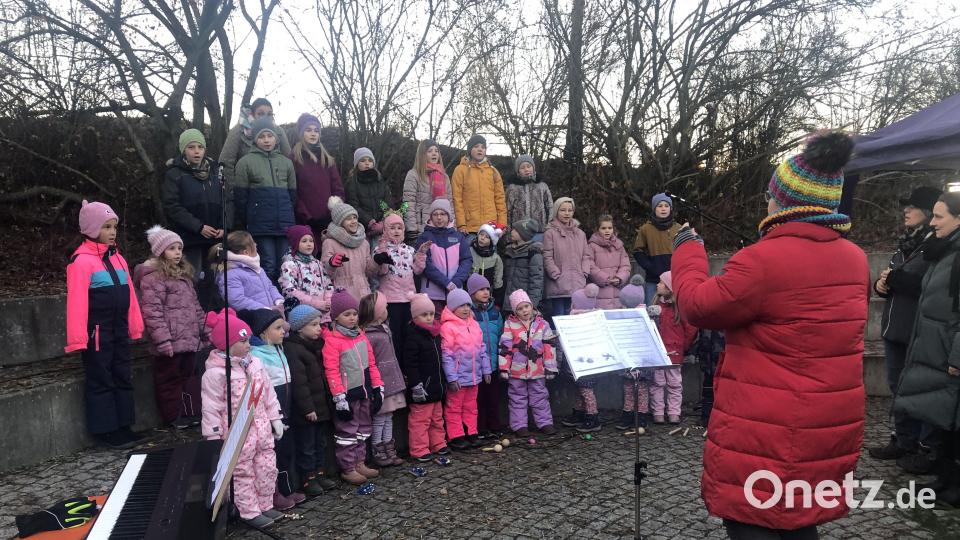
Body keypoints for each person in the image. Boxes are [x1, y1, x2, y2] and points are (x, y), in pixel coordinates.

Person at [670, 131, 868, 538]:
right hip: (825, 423)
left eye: (769, 194)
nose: (766, 200)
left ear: (783, 202)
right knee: (801, 518)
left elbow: (697, 306)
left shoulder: (762, 261)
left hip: (767, 425)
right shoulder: (855, 259)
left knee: (753, 519)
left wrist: (688, 249)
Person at [893, 191, 960, 506]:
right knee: (943, 416)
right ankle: (945, 479)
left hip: (951, 350)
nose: (933, 223)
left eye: (939, 217)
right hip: (938, 345)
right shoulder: (944, 250)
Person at [869, 186, 941, 467]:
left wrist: (897, 281)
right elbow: (889, 280)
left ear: (927, 211)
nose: (906, 211)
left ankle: (923, 445)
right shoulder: (906, 243)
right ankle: (903, 439)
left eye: (912, 207)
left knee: (918, 389)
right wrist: (881, 285)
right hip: (894, 329)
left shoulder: (936, 246)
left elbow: (933, 286)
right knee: (897, 386)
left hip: (917, 331)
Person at [65, 200, 145, 449]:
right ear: (90, 229)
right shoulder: (80, 262)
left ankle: (124, 425)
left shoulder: (118, 258)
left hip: (118, 328)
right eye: (106, 227)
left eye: (114, 227)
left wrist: (134, 325)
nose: (112, 232)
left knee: (122, 373)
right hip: (97, 332)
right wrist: (78, 338)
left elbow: (130, 296)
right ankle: (106, 430)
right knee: (102, 378)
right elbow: (77, 303)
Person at [201, 309, 284, 528]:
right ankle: (249, 512)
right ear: (226, 344)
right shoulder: (216, 374)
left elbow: (268, 393)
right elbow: (211, 408)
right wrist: (214, 437)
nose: (248, 345)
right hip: (237, 435)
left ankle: (265, 505)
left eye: (248, 340)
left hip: (262, 430)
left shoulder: (255, 363)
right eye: (243, 341)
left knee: (266, 468)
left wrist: (275, 417)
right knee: (242, 474)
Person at [134, 226, 206, 429]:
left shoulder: (183, 277)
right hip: (170, 341)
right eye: (171, 248)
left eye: (179, 248)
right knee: (169, 380)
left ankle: (189, 411)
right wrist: (163, 340)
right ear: (160, 251)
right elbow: (152, 311)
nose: (177, 253)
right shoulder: (153, 278)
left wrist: (204, 330)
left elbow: (195, 307)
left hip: (189, 338)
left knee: (188, 376)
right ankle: (173, 416)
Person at [238, 309, 302, 510]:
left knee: (286, 451)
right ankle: (273, 493)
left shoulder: (279, 349)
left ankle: (286, 488)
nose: (283, 331)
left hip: (286, 406)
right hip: (272, 410)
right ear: (263, 333)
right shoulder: (257, 356)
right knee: (272, 454)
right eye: (277, 328)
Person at [161, 128, 229, 310]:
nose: (196, 151)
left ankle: (214, 317)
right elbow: (172, 206)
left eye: (200, 147)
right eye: (191, 147)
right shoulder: (174, 173)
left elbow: (226, 201)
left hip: (214, 237)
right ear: (184, 150)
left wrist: (224, 225)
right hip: (190, 237)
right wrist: (198, 227)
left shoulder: (216, 172)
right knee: (192, 278)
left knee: (215, 278)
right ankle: (191, 315)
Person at [322, 290, 384, 485]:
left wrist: (377, 387)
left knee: (363, 429)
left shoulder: (361, 336)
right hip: (348, 395)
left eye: (354, 314)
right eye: (346, 314)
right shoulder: (332, 341)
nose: (352, 318)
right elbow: (332, 371)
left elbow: (371, 364)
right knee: (347, 433)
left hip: (364, 390)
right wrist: (339, 398)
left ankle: (359, 461)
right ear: (336, 317)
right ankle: (347, 467)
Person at [234, 116, 297, 281]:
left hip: (284, 224)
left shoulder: (286, 162)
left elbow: (292, 195)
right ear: (255, 139)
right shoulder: (245, 162)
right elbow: (241, 198)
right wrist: (249, 218)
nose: (266, 140)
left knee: (286, 265)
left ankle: (288, 302)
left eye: (270, 136)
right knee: (267, 265)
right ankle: (270, 303)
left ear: (276, 138)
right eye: (262, 137)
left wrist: (288, 216)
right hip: (260, 225)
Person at [284, 305, 337, 497]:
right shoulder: (294, 350)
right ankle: (308, 478)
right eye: (314, 325)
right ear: (299, 328)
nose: (319, 328)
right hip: (307, 411)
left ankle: (321, 473)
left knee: (320, 444)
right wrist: (308, 408)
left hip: (320, 406)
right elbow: (300, 384)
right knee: (307, 447)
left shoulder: (315, 347)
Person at [499, 289, 557, 437]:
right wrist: (504, 368)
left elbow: (549, 346)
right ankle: (519, 425)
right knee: (517, 398)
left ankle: (545, 423)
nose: (524, 310)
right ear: (515, 311)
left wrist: (550, 367)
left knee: (540, 397)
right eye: (519, 308)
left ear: (531, 306)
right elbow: (505, 346)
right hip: (516, 371)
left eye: (526, 306)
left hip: (537, 369)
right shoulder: (510, 324)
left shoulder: (542, 324)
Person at [359, 292, 407, 467]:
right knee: (380, 418)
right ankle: (378, 450)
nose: (387, 310)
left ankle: (389, 448)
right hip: (380, 383)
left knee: (389, 417)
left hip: (391, 380)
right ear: (377, 312)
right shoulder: (369, 335)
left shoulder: (384, 329)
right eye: (384, 308)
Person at [441, 288, 492, 450]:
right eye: (461, 306)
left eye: (468, 306)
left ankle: (472, 432)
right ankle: (456, 435)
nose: (465, 309)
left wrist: (486, 370)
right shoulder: (448, 327)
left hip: (474, 375)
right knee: (454, 407)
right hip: (458, 378)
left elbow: (482, 349)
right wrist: (452, 378)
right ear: (452, 307)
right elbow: (447, 355)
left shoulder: (475, 324)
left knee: (471, 406)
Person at [374, 208, 428, 360]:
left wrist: (422, 254)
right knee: (394, 335)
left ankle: (407, 367)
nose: (396, 231)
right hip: (391, 300)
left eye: (399, 228)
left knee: (408, 334)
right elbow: (381, 272)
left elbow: (418, 270)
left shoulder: (410, 250)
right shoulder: (379, 249)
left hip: (408, 299)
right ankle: (396, 366)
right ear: (385, 230)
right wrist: (383, 254)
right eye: (392, 228)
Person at [402, 293, 449, 462]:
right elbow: (410, 364)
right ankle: (419, 448)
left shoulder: (435, 334)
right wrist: (415, 384)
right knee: (420, 420)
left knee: (437, 418)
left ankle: (438, 443)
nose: (429, 318)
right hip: (422, 387)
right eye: (424, 315)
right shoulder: (413, 337)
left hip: (436, 385)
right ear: (415, 317)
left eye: (431, 314)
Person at [648, 272, 697, 424]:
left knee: (675, 383)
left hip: (675, 352)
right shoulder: (655, 305)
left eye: (661, 283)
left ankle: (674, 412)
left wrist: (683, 345)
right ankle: (658, 412)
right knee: (657, 383)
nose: (657, 285)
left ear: (669, 288)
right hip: (658, 353)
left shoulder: (679, 308)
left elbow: (690, 329)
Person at [558, 284, 604, 433]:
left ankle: (593, 416)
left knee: (586, 390)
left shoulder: (577, 320)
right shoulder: (594, 317)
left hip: (585, 362)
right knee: (580, 389)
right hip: (583, 362)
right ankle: (580, 412)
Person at [290, 113, 344, 234]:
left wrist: (334, 212)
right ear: (301, 133)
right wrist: (307, 217)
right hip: (305, 222)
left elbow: (338, 189)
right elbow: (293, 192)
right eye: (308, 130)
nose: (313, 134)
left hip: (329, 221)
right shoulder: (294, 159)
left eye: (316, 130)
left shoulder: (327, 159)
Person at [416, 199, 472, 311]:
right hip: (432, 295)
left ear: (449, 216)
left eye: (442, 214)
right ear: (431, 217)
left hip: (455, 293)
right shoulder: (425, 237)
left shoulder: (458, 237)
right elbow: (426, 265)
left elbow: (466, 260)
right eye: (435, 214)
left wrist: (456, 282)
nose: (439, 217)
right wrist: (446, 283)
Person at [221, 98, 292, 185]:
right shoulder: (239, 131)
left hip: (277, 190)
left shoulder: (278, 131)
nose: (265, 117)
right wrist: (233, 192)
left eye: (269, 114)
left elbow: (289, 160)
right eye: (260, 114)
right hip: (248, 190)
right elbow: (226, 163)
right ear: (252, 114)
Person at [321, 197, 379, 301]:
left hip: (364, 293)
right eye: (348, 219)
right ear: (340, 222)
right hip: (343, 295)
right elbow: (325, 273)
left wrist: (377, 261)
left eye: (355, 217)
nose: (353, 221)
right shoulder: (329, 242)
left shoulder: (363, 242)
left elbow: (368, 272)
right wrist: (331, 263)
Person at [469, 274, 506, 438]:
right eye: (480, 289)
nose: (485, 292)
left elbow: (500, 334)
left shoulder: (495, 312)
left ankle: (495, 425)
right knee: (479, 398)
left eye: (487, 289)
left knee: (493, 397)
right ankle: (481, 427)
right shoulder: (470, 312)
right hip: (477, 365)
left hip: (493, 363)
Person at [212, 231, 285, 313]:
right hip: (253, 318)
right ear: (246, 252)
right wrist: (264, 309)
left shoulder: (258, 268)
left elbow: (270, 286)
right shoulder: (230, 274)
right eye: (253, 243)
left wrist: (278, 300)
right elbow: (237, 300)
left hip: (270, 313)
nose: (256, 244)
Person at [543, 197, 590, 320]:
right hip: (558, 282)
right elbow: (547, 256)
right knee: (560, 318)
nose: (567, 213)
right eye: (563, 210)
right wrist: (555, 273)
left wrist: (584, 271)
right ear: (556, 211)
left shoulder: (580, 234)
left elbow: (586, 255)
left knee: (576, 317)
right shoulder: (550, 233)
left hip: (578, 282)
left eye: (570, 210)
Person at [451, 134, 507, 234]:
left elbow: (500, 199)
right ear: (469, 149)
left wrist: (502, 224)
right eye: (476, 146)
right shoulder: (460, 170)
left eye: (483, 147)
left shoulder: (493, 172)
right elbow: (457, 198)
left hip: (491, 228)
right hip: (468, 229)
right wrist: (461, 224)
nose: (480, 149)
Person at [633, 193, 682, 303]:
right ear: (654, 209)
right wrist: (651, 267)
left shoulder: (678, 228)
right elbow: (637, 251)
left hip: (675, 278)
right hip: (654, 280)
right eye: (659, 206)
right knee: (652, 310)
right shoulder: (645, 229)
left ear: (671, 208)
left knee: (675, 312)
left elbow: (685, 250)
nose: (663, 208)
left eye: (666, 205)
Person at [278, 225, 334, 321]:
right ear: (295, 243)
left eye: (311, 241)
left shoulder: (317, 263)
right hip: (304, 315)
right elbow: (290, 291)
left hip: (324, 313)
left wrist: (328, 301)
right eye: (304, 241)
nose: (309, 244)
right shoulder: (289, 265)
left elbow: (328, 284)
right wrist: (316, 303)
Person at [403, 139, 454, 239]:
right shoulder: (414, 175)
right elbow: (409, 203)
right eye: (430, 151)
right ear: (422, 155)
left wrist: (452, 225)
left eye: (436, 151)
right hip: (422, 228)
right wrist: (412, 229)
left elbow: (450, 203)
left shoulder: (444, 176)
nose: (434, 154)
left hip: (442, 228)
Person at [345, 147, 392, 240]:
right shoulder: (352, 183)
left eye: (370, 160)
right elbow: (353, 205)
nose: (367, 163)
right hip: (361, 228)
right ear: (357, 164)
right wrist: (369, 221)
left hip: (382, 228)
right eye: (363, 160)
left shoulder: (380, 182)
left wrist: (383, 221)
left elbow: (388, 203)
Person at [586, 214, 631, 309]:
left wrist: (620, 278)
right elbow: (590, 266)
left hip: (617, 291)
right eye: (603, 228)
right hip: (599, 292)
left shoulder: (619, 246)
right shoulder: (592, 246)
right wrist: (604, 278)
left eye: (610, 228)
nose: (607, 231)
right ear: (597, 229)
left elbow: (625, 265)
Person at [502, 218, 544, 313]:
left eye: (516, 230)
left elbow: (536, 282)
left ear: (523, 234)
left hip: (524, 307)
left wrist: (532, 305)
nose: (512, 232)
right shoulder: (508, 251)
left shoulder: (533, 253)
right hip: (508, 304)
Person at [505, 154, 552, 233]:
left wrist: (549, 226)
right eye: (522, 167)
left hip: (539, 230)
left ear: (533, 168)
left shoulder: (542, 186)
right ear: (518, 171)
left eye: (528, 166)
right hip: (519, 232)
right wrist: (509, 230)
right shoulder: (512, 188)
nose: (526, 169)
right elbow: (508, 210)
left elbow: (549, 206)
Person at [470, 221, 504, 295]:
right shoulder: (469, 252)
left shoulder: (496, 258)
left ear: (491, 241)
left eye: (487, 237)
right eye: (481, 234)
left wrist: (497, 293)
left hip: (487, 293)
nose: (482, 238)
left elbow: (497, 278)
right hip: (471, 291)